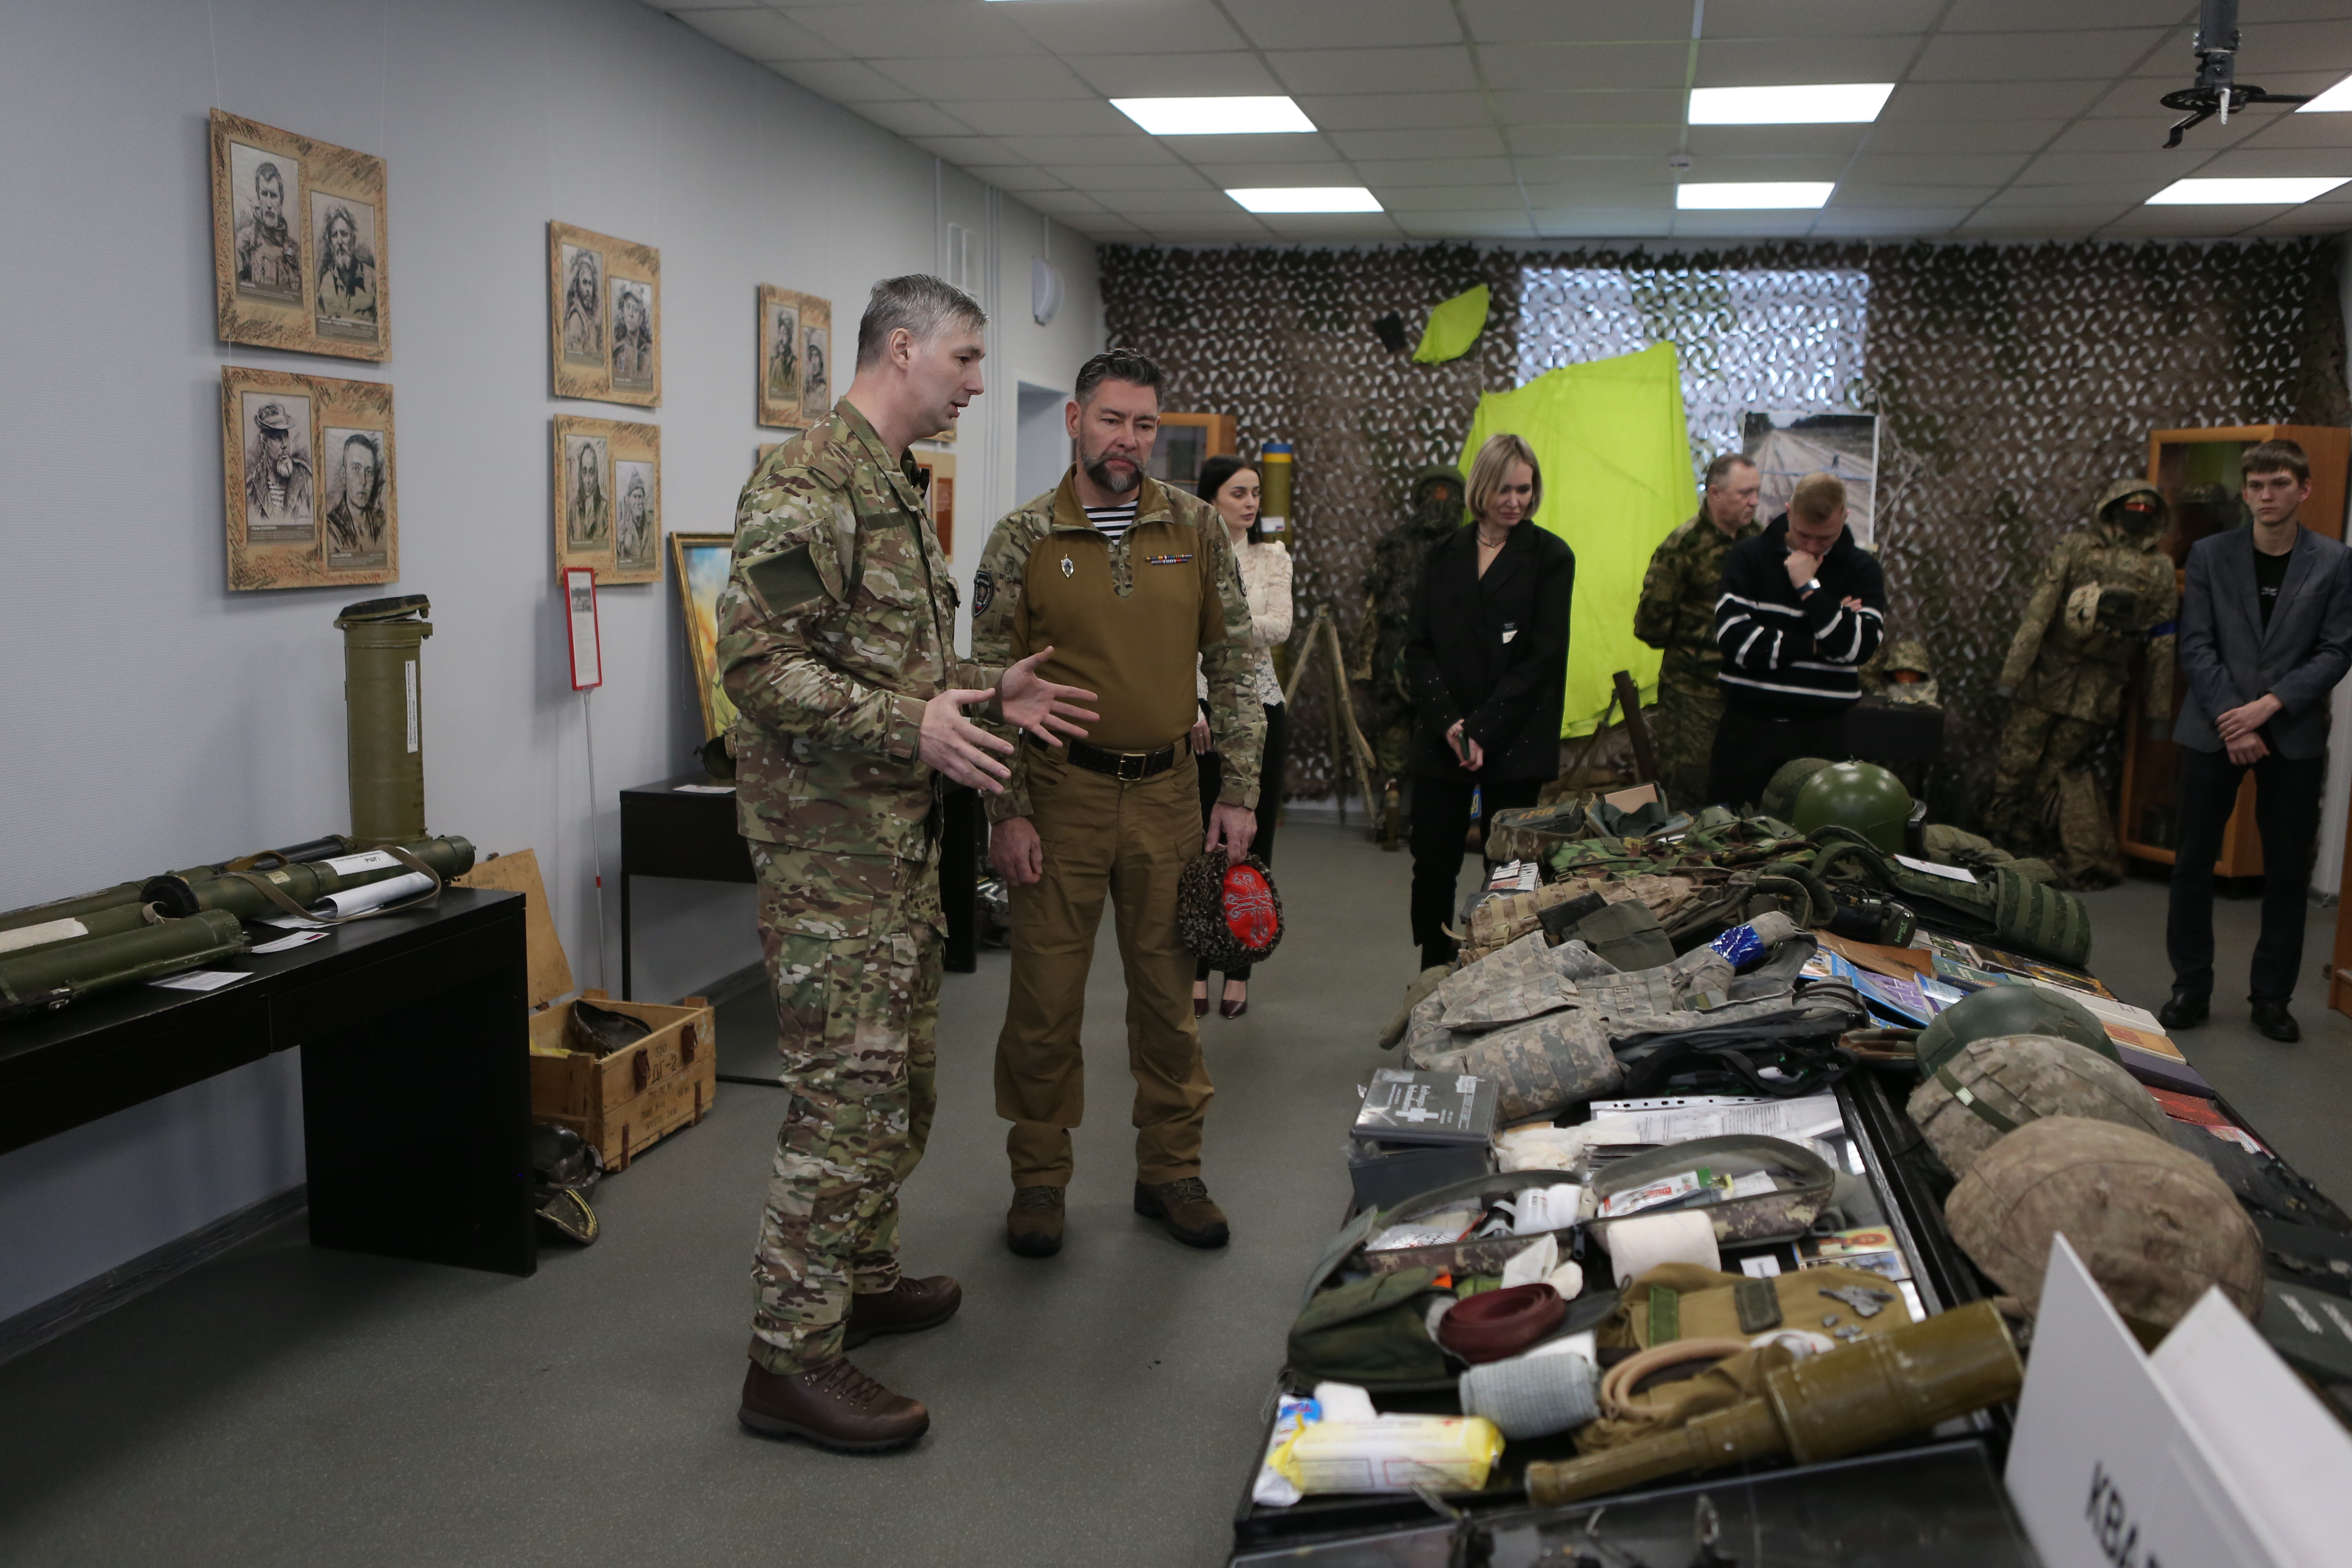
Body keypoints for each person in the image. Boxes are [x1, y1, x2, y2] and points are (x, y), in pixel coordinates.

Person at [714, 274, 1097, 1453]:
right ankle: (790, 1360)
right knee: (846, 1103)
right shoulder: (805, 484)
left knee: (903, 1091)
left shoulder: (890, 484)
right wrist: (914, 728)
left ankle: (860, 1276)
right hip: (831, 863)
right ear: (901, 347)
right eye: (968, 359)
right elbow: (756, 667)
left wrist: (978, 694)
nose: (981, 384)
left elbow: (882, 668)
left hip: (895, 853)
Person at [974, 348, 1264, 1260]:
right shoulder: (1023, 539)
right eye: (1112, 421)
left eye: (1144, 425)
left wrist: (1241, 793)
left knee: (1168, 999)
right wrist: (1006, 810)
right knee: (1044, 1002)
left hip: (1173, 797)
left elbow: (1236, 664)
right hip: (1060, 799)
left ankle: (1171, 1171)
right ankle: (1039, 1181)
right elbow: (989, 686)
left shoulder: (1194, 527)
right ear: (1074, 420)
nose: (1129, 440)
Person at [2160, 439, 2352, 1042]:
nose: (2267, 496)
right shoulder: (2211, 555)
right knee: (2192, 863)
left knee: (2287, 873)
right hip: (2213, 729)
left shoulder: (2336, 562)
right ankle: (2190, 985)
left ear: (2305, 489)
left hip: (2291, 734)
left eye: (2279, 485)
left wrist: (2268, 708)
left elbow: (2337, 650)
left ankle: (2272, 998)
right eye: (2257, 486)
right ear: (2246, 493)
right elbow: (2196, 645)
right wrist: (2232, 718)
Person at [1402, 432, 1574, 973]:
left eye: (1525, 489)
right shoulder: (1443, 555)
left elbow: (1543, 659)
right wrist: (1452, 727)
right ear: (1482, 487)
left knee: (1511, 871)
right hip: (1443, 737)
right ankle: (1433, 969)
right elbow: (1418, 648)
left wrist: (1481, 729)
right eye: (1505, 489)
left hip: (1515, 738)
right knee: (1432, 863)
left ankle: (1498, 971)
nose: (1516, 501)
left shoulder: (1551, 556)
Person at [1982, 480, 2177, 859]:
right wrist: (2012, 676)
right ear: (2113, 509)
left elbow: (2163, 640)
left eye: (2146, 513)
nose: (2137, 517)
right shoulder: (2075, 548)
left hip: (2101, 686)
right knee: (2017, 759)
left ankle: (2030, 836)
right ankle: (1998, 832)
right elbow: (2039, 613)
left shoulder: (2160, 568)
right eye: (2130, 509)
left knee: (2058, 768)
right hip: (2048, 674)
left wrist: (2159, 710)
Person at [1708, 471, 1885, 812]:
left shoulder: (1862, 569)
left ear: (1845, 518)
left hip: (1821, 734)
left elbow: (1857, 649)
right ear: (1789, 512)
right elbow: (1736, 642)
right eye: (1804, 535)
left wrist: (1809, 587)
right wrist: (1822, 638)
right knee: (1731, 838)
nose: (1813, 547)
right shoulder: (1749, 557)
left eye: (1826, 538)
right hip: (1748, 731)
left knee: (1812, 840)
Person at [1187, 454, 1292, 1020]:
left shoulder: (1273, 558)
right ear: (1212, 499)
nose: (1251, 504)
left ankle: (1240, 974)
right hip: (1199, 709)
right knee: (1200, 841)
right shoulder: (1192, 555)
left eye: (1255, 494)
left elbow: (1280, 626)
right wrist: (1188, 702)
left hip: (1262, 707)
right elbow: (1176, 638)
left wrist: (1219, 624)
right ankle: (1197, 968)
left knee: (1250, 844)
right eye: (1239, 494)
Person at [1634, 454, 1762, 808]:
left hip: (1747, 692)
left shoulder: (1760, 541)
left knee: (1743, 791)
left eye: (1757, 492)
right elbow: (1650, 625)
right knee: (1691, 793)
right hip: (1693, 696)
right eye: (1745, 493)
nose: (1754, 501)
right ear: (1715, 493)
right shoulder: (1682, 547)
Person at [1357, 466, 1466, 784]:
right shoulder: (1396, 545)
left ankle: (1406, 813)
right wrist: (1365, 660)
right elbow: (1375, 606)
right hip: (1399, 652)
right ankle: (1393, 814)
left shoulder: (1470, 547)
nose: (1440, 502)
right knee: (1398, 726)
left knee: (1438, 727)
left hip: (1441, 655)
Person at [235, 160, 298, 299]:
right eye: (264, 194)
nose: (269, 204)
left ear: (281, 200)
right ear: (259, 197)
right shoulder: (244, 242)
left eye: (274, 196)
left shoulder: (295, 250)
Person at [244, 402, 312, 528]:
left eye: (285, 437)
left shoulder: (306, 479)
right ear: (264, 444)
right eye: (277, 438)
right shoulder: (251, 487)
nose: (284, 444)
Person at [314, 203, 376, 328]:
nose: (340, 241)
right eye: (334, 236)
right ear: (331, 244)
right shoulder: (324, 284)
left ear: (353, 239)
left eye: (344, 234)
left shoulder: (372, 279)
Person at [324, 432, 386, 559]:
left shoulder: (382, 523)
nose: (363, 481)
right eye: (356, 469)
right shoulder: (331, 527)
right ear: (343, 475)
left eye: (369, 472)